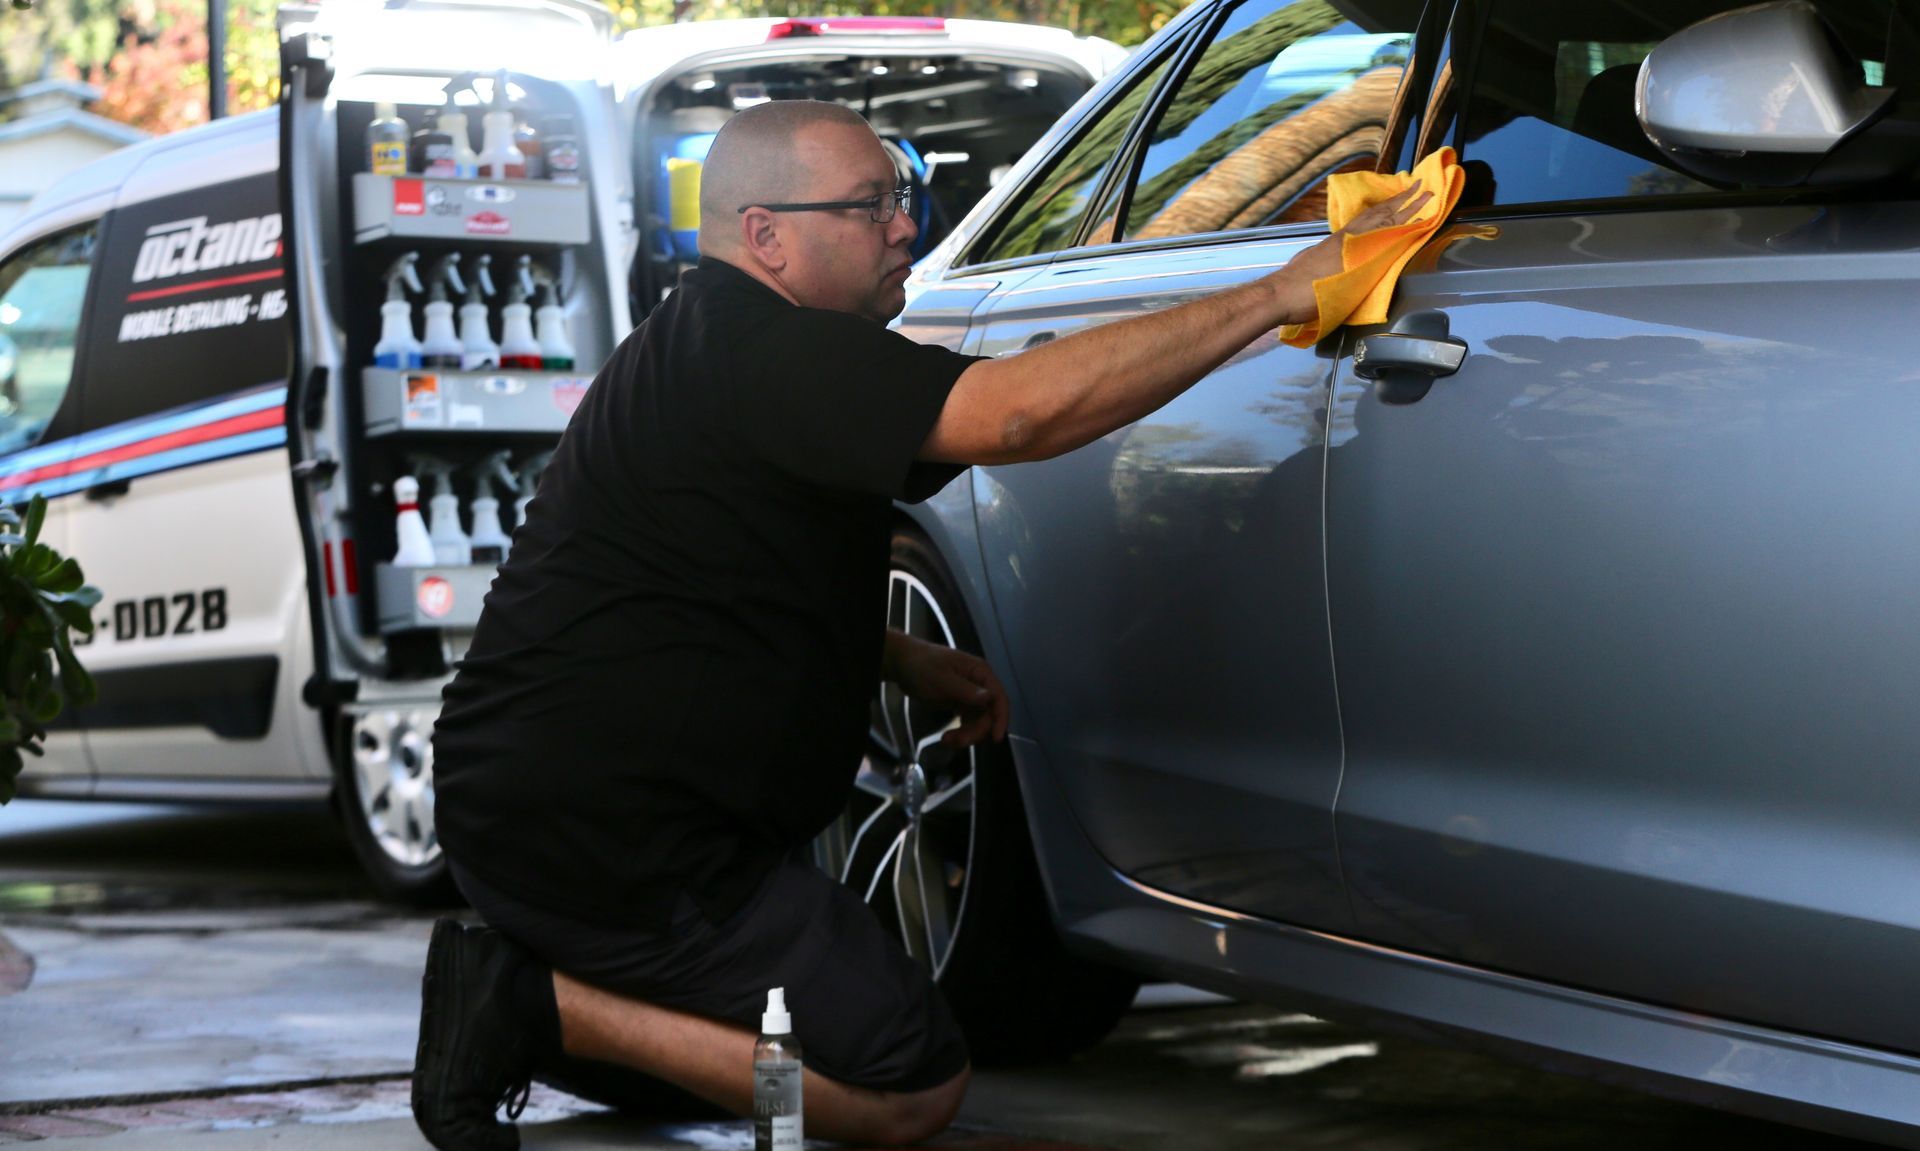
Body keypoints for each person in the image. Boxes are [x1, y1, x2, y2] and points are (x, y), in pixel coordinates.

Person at [412, 99, 1427, 1151]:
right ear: (768, 236)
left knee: (733, 1057)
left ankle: (546, 1005)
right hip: (612, 842)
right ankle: (535, 1003)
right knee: (905, 1086)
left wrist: (892, 655)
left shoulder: (713, 340)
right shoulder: (771, 352)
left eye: (900, 196)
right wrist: (1274, 292)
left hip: (556, 811)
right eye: (867, 206)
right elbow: (1016, 414)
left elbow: (692, 576)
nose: (905, 226)